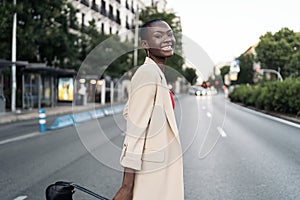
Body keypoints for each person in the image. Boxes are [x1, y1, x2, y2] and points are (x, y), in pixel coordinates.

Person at [113, 19, 184, 200]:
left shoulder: (157, 73)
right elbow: (135, 131)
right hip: (151, 173)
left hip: (158, 169)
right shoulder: (147, 74)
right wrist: (126, 187)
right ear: (145, 44)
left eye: (169, 34)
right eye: (158, 36)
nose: (167, 39)